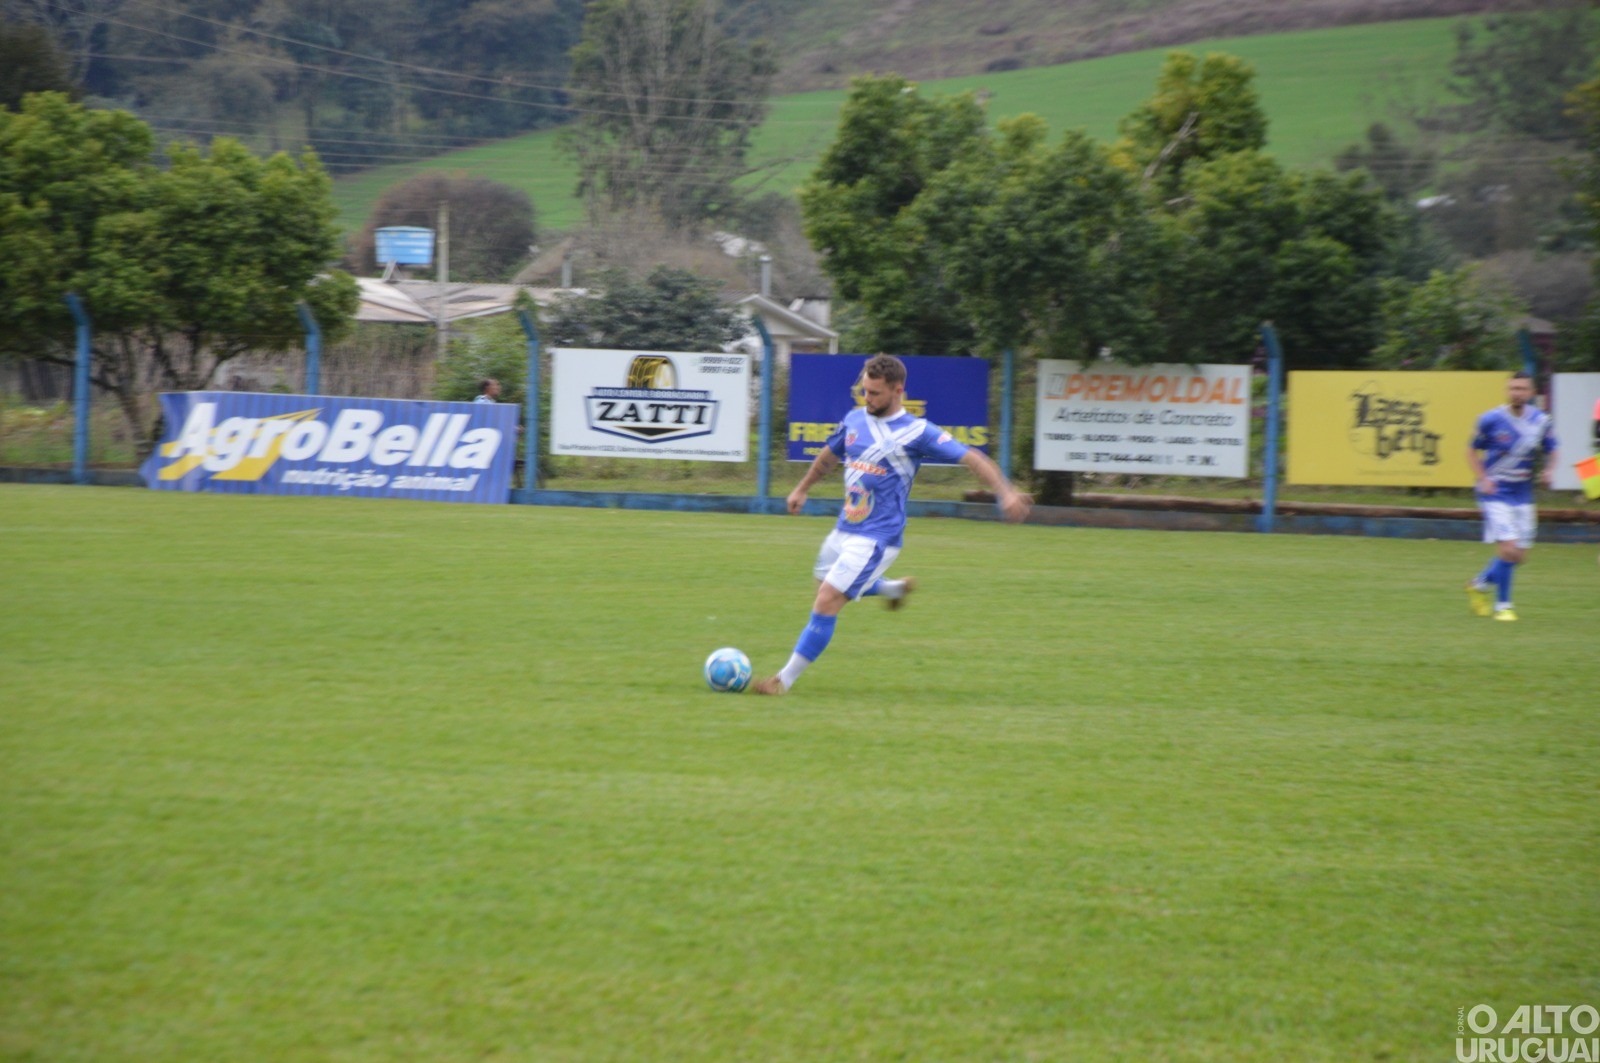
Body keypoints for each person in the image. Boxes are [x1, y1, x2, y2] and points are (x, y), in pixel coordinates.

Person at [751, 354, 1032, 696]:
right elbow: (829, 455)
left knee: (828, 600)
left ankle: (782, 682)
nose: (867, 399)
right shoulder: (855, 419)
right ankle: (892, 589)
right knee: (828, 585)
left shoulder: (917, 432)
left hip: (877, 537)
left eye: (875, 393)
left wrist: (1006, 492)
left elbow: (971, 457)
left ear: (898, 391)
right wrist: (802, 488)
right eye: (864, 391)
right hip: (845, 528)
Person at [1464, 371, 1558, 622]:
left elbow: (1553, 448)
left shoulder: (1541, 421)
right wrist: (1483, 479)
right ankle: (1503, 606)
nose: (1517, 392)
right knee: (1508, 548)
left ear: (1531, 392)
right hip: (1494, 493)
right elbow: (1471, 451)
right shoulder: (1490, 419)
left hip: (1523, 495)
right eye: (1513, 388)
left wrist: (1549, 469)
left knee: (1519, 555)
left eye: (1522, 388)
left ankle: (1479, 583)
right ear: (1508, 390)